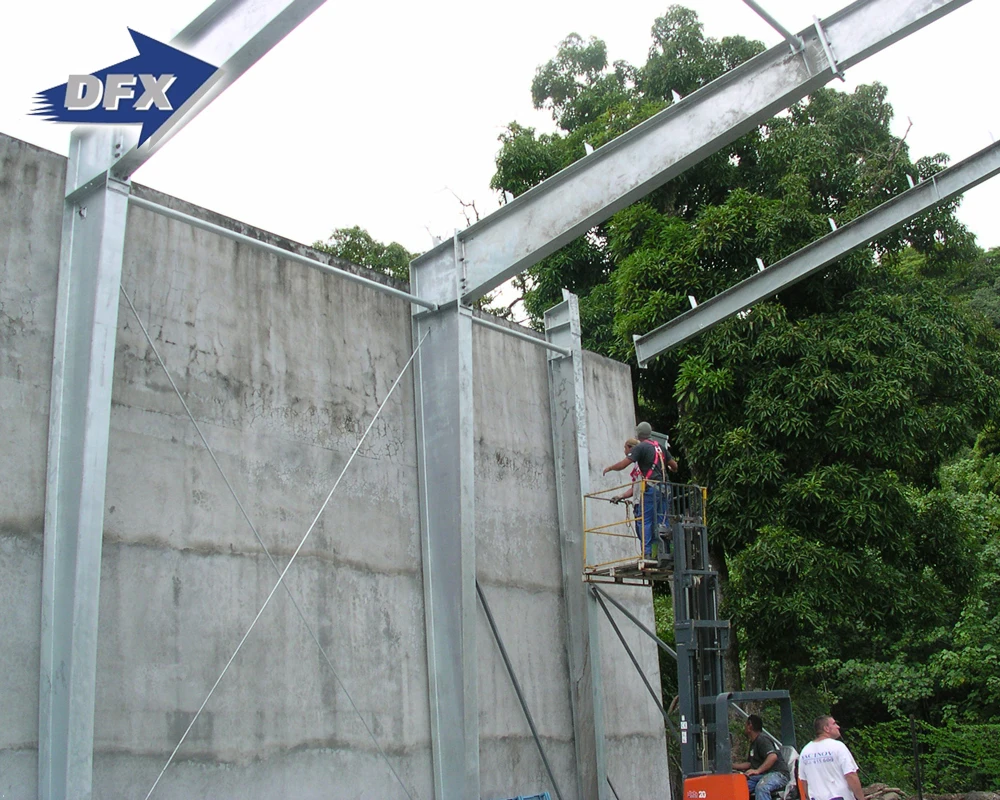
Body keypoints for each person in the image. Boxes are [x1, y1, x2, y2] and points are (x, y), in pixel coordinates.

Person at [603, 421, 678, 557]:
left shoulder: (641, 447)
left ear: (638, 434)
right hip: (665, 488)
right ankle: (665, 552)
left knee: (646, 521)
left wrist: (610, 468)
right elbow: (674, 466)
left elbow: (623, 464)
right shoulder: (660, 447)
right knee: (662, 520)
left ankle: (648, 553)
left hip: (651, 488)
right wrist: (669, 468)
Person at [798, 716, 865, 800]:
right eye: (834, 724)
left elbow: (804, 781)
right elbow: (850, 775)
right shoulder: (838, 747)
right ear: (826, 728)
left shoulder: (805, 752)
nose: (838, 726)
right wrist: (861, 798)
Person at [734, 714, 790, 800]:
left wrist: (758, 770)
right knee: (740, 787)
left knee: (761, 788)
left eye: (745, 724)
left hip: (778, 774)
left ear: (750, 725)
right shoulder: (754, 743)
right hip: (764, 774)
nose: (744, 727)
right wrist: (731, 766)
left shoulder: (762, 739)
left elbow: (772, 756)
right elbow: (750, 764)